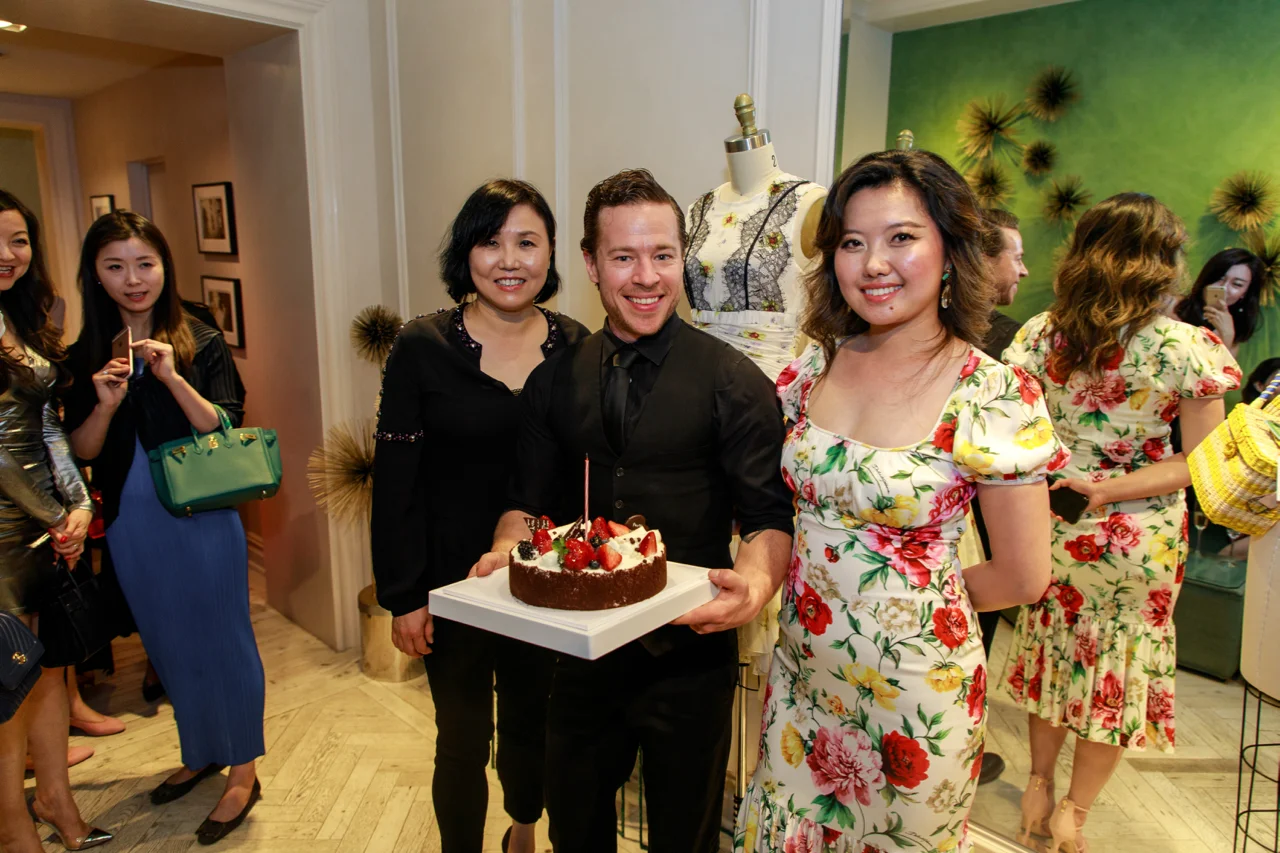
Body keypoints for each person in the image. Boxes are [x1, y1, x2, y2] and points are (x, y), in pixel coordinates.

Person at [736, 149, 1063, 853]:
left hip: (917, 703)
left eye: (902, 237)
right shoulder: (815, 365)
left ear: (950, 251)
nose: (873, 263)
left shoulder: (990, 391)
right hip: (801, 680)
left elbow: (1024, 575)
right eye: (852, 242)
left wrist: (914, 605)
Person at [471, 168, 794, 853]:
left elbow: (768, 517)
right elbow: (526, 506)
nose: (646, 277)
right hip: (579, 658)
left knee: (687, 837)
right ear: (591, 263)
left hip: (691, 660)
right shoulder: (552, 381)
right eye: (623, 257)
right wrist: (505, 551)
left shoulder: (735, 383)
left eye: (662, 255)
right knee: (576, 830)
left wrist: (756, 583)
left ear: (682, 258)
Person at [999, 193, 1239, 853]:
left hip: (1053, 522)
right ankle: (1073, 813)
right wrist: (1107, 488)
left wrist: (1071, 476)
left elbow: (1014, 432)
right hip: (1139, 537)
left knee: (1053, 655)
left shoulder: (1041, 334)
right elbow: (1200, 463)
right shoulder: (1188, 347)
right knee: (1116, 673)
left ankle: (1038, 785)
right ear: (1161, 261)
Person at [372, 179, 588, 853]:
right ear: (466, 252)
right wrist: (405, 596)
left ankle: (523, 829)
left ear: (551, 252)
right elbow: (396, 482)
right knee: (461, 738)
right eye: (491, 242)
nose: (510, 260)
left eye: (527, 242)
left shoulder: (576, 346)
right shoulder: (421, 346)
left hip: (543, 580)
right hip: (450, 583)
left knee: (531, 722)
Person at [64, 211, 264, 845]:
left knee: (225, 640)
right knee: (167, 640)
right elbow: (83, 451)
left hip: (202, 511)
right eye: (115, 266)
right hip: (131, 520)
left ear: (164, 266)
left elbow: (223, 425)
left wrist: (172, 377)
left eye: (144, 264)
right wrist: (105, 404)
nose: (133, 279)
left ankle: (243, 770)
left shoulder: (199, 337)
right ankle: (200, 749)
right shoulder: (84, 354)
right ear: (95, 276)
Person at [0, 189, 111, 852]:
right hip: (3, 533)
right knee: (8, 681)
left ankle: (57, 801)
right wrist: (56, 515)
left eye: (18, 239)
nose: (7, 254)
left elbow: (46, 425)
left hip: (45, 526)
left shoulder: (20, 317)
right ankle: (13, 827)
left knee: (47, 670)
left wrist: (79, 505)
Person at [967, 206, 1032, 786]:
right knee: (978, 628)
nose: (1024, 270)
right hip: (977, 524)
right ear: (982, 260)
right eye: (1016, 255)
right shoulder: (1009, 345)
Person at [1173, 247, 1265, 358]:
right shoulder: (1173, 306)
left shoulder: (1232, 339)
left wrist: (1227, 335)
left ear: (1244, 293)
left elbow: (1217, 368)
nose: (1224, 287)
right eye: (1219, 278)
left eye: (1237, 284)